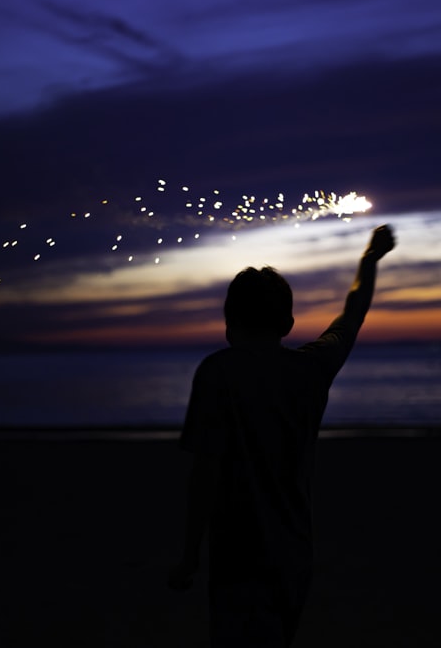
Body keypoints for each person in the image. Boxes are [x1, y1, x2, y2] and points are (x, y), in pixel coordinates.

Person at [168, 224, 396, 647]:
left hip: (235, 557)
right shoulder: (310, 370)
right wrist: (368, 261)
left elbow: (205, 470)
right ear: (289, 323)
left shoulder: (218, 373)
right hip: (293, 555)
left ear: (228, 324)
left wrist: (189, 555)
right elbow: (351, 317)